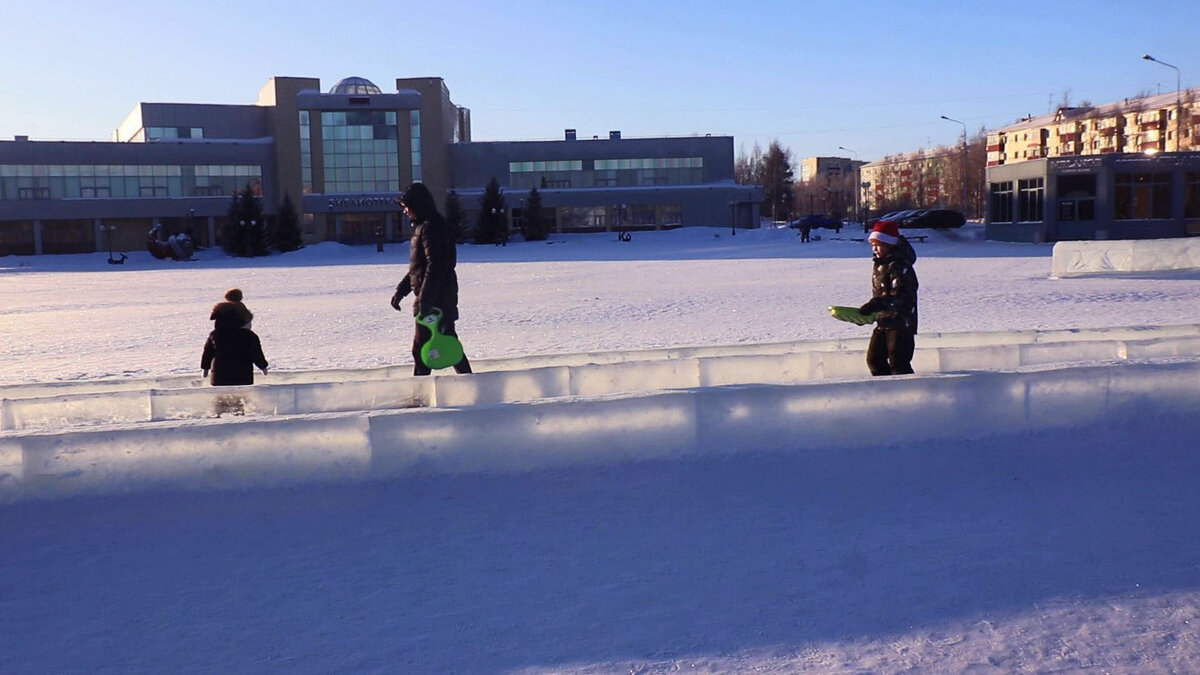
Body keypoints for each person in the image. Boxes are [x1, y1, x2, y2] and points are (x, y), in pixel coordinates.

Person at [390, 182, 473, 376]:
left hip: (437, 300)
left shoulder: (432, 227)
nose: (405, 212)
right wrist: (401, 291)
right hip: (434, 298)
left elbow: (437, 266)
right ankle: (471, 386)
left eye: (406, 207)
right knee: (444, 344)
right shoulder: (424, 227)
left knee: (423, 349)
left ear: (416, 205)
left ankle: (420, 398)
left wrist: (425, 300)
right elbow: (419, 268)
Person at [858, 220, 919, 376]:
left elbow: (901, 296)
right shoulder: (880, 265)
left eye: (877, 245)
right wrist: (870, 312)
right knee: (874, 359)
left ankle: (906, 393)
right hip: (884, 320)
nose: (874, 249)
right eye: (872, 245)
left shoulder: (900, 265)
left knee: (898, 361)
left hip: (901, 321)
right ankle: (885, 390)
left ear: (888, 244)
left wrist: (876, 304)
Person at [201, 302, 269, 386]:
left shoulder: (215, 334)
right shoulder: (249, 335)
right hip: (243, 375)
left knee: (221, 396)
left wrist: (205, 367)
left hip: (219, 375)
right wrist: (263, 366)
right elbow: (256, 353)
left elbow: (207, 353)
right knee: (242, 396)